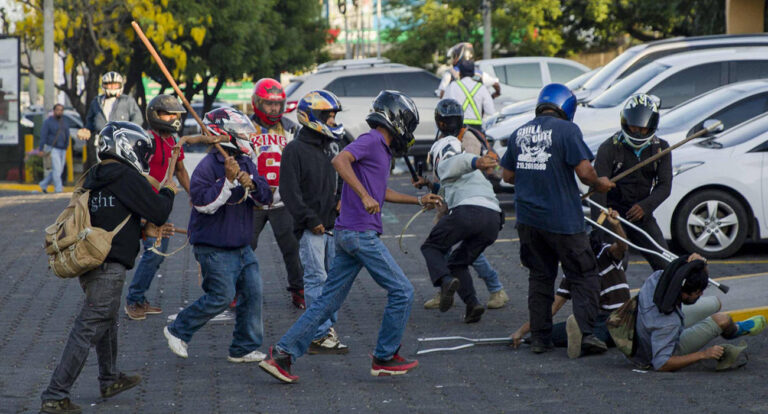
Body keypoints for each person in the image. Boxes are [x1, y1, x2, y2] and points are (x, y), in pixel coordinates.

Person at [259, 90, 442, 383]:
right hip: (359, 235)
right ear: (394, 118)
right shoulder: (371, 139)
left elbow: (381, 194)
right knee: (403, 291)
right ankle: (384, 356)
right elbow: (340, 162)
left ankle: (282, 355)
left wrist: (419, 200)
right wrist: (363, 194)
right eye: (406, 121)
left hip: (348, 234)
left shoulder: (381, 150)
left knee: (325, 303)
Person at [40, 122, 175, 414]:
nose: (144, 157)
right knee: (89, 325)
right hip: (108, 264)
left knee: (107, 319)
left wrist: (142, 231)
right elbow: (159, 209)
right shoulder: (126, 175)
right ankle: (55, 395)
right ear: (127, 146)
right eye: (141, 150)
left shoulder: (97, 175)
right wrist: (169, 191)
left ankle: (110, 378)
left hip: (91, 259)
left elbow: (111, 214)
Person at [500, 83, 615, 355]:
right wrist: (600, 184)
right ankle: (586, 334)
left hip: (528, 221)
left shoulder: (519, 132)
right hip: (563, 221)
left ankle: (540, 339)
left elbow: (506, 176)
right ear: (567, 107)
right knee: (584, 274)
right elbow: (585, 172)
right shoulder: (567, 130)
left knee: (540, 278)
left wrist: (534, 177)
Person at [163, 107, 273, 364]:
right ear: (224, 135)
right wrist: (228, 181)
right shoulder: (208, 166)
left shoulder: (245, 162)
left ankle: (243, 347)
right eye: (241, 132)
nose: (247, 136)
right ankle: (178, 330)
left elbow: (266, 197)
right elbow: (202, 203)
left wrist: (253, 184)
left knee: (253, 292)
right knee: (221, 296)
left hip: (241, 246)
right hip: (214, 246)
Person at [419, 99, 509, 310]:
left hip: (469, 208)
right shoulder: (454, 139)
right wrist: (429, 185)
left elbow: (455, 164)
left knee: (435, 248)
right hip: (491, 214)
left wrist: (475, 162)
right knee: (457, 260)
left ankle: (488, 288)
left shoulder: (454, 142)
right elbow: (449, 181)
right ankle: (472, 305)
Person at [279, 89, 348, 354]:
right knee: (316, 278)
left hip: (332, 225)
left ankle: (327, 327)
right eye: (327, 116)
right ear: (311, 116)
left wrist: (341, 200)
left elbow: (342, 177)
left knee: (333, 279)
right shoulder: (294, 150)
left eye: (333, 116)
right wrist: (310, 219)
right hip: (312, 228)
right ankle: (319, 333)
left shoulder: (332, 145)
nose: (332, 120)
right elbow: (290, 192)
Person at [509, 209, 630, 358]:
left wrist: (616, 225)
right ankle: (579, 339)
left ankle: (582, 341)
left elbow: (622, 247)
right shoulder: (573, 266)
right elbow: (554, 306)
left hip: (619, 316)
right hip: (596, 318)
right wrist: (523, 332)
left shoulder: (605, 253)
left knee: (601, 332)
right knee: (548, 333)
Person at [632, 254, 766, 371]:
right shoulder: (668, 323)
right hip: (659, 348)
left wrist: (700, 263)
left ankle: (721, 328)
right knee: (722, 320)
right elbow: (661, 364)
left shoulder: (658, 278)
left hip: (651, 324)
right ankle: (736, 330)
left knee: (715, 303)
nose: (701, 294)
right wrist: (703, 354)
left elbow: (681, 270)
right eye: (697, 292)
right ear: (684, 294)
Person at [124, 94, 191, 321]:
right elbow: (133, 175)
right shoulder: (146, 140)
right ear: (155, 115)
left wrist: (195, 196)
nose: (173, 118)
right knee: (152, 253)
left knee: (158, 253)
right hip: (144, 206)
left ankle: (139, 298)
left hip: (162, 206)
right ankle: (133, 300)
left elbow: (180, 171)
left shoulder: (174, 141)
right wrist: (140, 212)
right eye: (168, 113)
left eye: (175, 114)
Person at [592, 93, 672, 271]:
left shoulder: (661, 148)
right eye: (633, 127)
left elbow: (665, 186)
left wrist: (646, 206)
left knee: (665, 264)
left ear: (652, 126)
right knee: (616, 266)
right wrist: (600, 227)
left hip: (642, 214)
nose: (637, 132)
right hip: (613, 217)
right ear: (624, 122)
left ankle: (662, 298)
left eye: (643, 129)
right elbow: (598, 191)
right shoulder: (608, 148)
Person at [248, 78, 305, 309]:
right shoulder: (245, 128)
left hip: (283, 201)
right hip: (251, 202)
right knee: (243, 248)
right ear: (256, 103)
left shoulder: (292, 128)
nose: (274, 109)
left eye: (277, 104)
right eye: (268, 104)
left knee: (292, 249)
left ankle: (299, 289)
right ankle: (236, 290)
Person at [79, 72, 143, 170]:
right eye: (109, 84)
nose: (112, 87)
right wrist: (87, 129)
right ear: (104, 85)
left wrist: (129, 134)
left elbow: (138, 119)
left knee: (121, 168)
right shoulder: (97, 101)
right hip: (102, 141)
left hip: (122, 142)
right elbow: (91, 120)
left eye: (115, 84)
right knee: (104, 169)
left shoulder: (127, 100)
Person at [443, 60, 495, 130]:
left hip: (457, 129)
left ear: (460, 72)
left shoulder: (453, 86)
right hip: (476, 129)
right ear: (473, 73)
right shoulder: (481, 87)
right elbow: (490, 111)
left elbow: (444, 107)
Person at [38, 104, 71, 193]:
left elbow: (67, 134)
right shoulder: (48, 122)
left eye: (61, 110)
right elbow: (43, 136)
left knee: (59, 170)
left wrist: (66, 145)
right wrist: (40, 148)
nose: (59, 112)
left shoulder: (64, 122)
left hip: (63, 149)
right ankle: (58, 189)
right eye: (57, 110)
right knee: (56, 169)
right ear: (54, 111)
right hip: (53, 149)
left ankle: (43, 184)